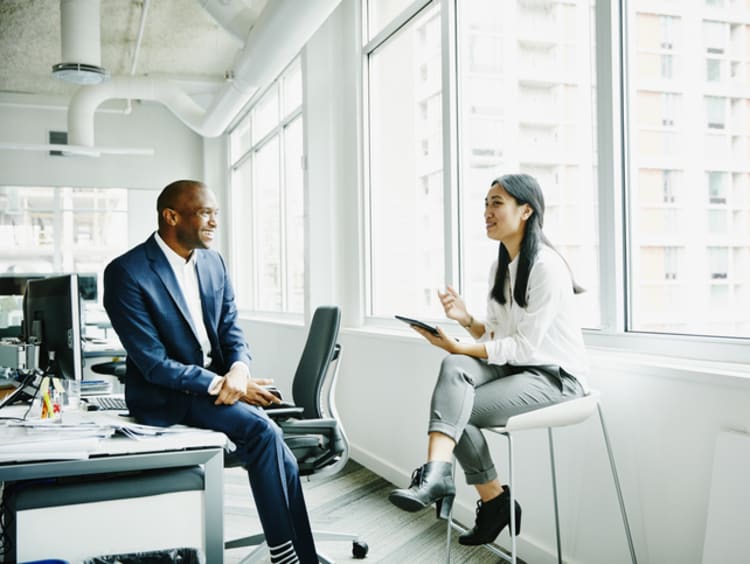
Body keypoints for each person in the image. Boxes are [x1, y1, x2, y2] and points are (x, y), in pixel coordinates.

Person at [103, 179, 317, 564]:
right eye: (205, 212)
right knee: (264, 432)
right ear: (171, 216)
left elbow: (231, 327)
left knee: (277, 450)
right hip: (167, 396)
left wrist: (238, 370)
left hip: (219, 386)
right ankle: (289, 556)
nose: (215, 222)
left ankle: (300, 556)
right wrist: (225, 383)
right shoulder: (127, 272)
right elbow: (153, 364)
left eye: (216, 213)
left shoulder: (214, 262)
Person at [388, 173, 589, 546]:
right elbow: (499, 337)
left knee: (454, 407)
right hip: (520, 369)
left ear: (526, 210)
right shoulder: (501, 267)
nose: (487, 211)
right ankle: (445, 476)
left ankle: (472, 491)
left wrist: (461, 345)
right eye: (485, 203)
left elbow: (526, 348)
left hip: (557, 379)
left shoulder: (547, 266)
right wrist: (466, 321)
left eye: (496, 203)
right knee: (454, 369)